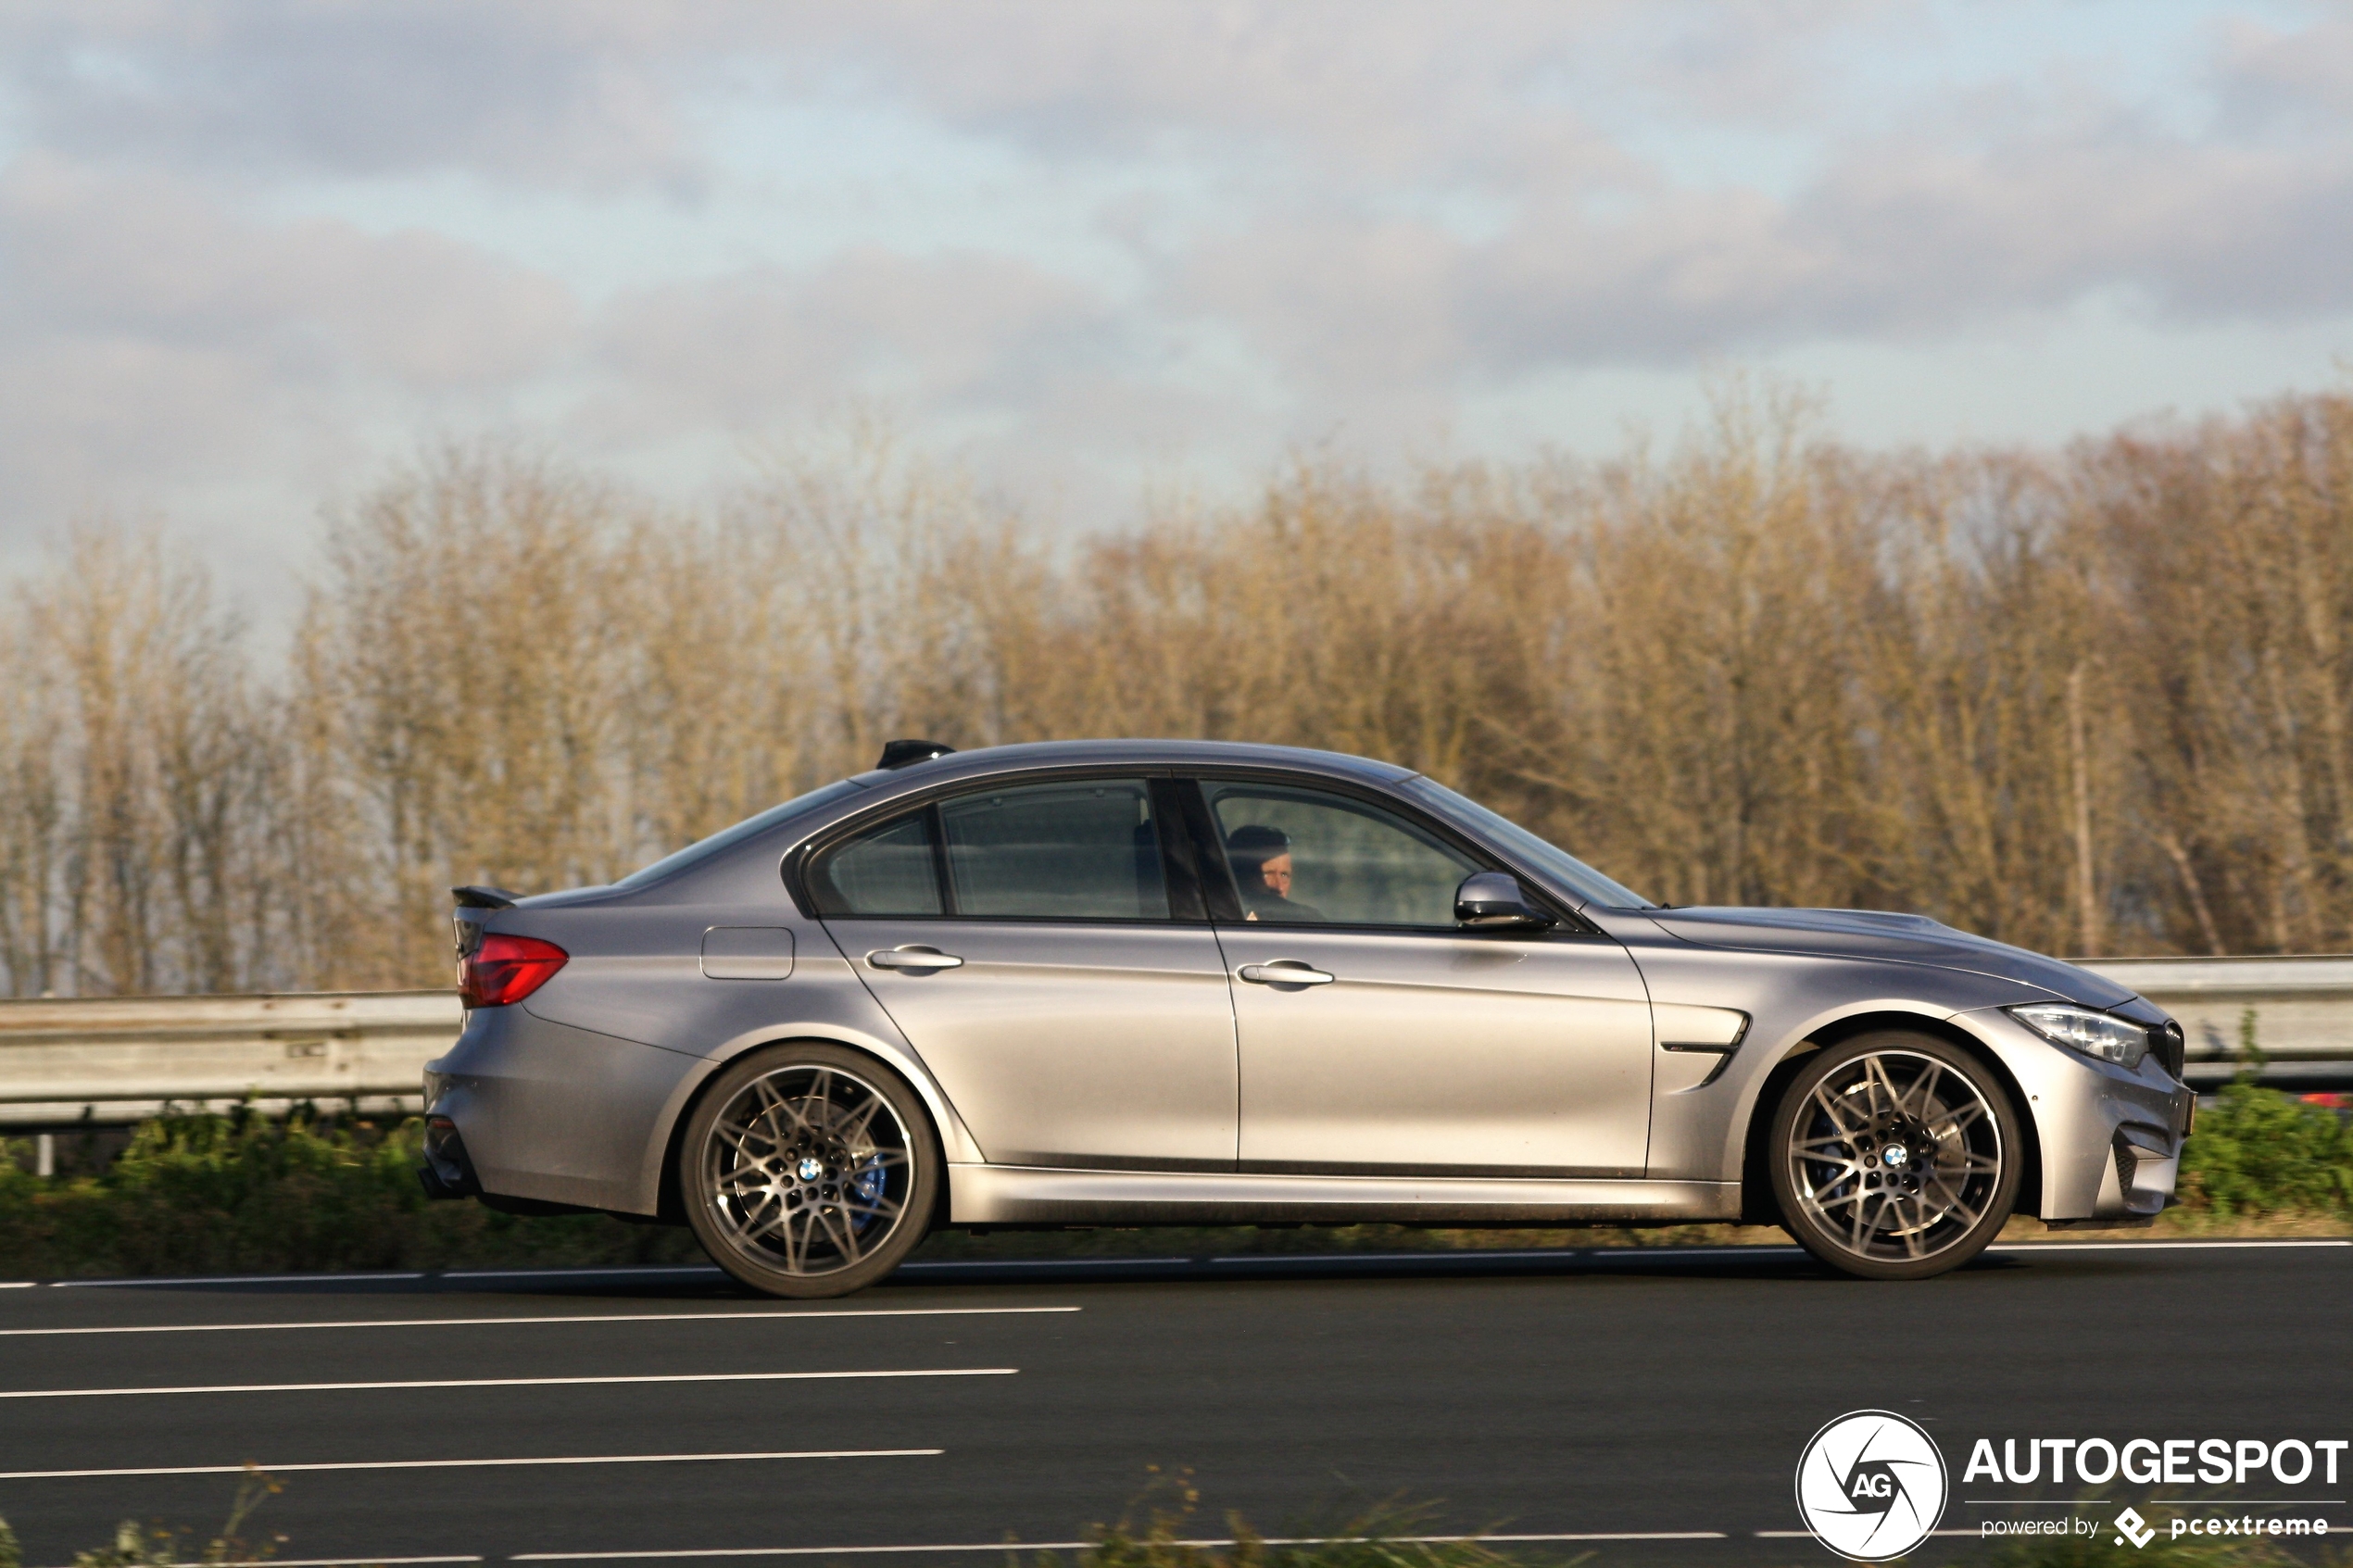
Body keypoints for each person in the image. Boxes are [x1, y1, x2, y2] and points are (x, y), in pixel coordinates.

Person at [1225, 824, 1324, 921]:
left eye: (1284, 875)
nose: (1279, 887)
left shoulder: (1306, 921)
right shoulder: (1226, 922)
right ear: (1239, 876)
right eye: (1267, 874)